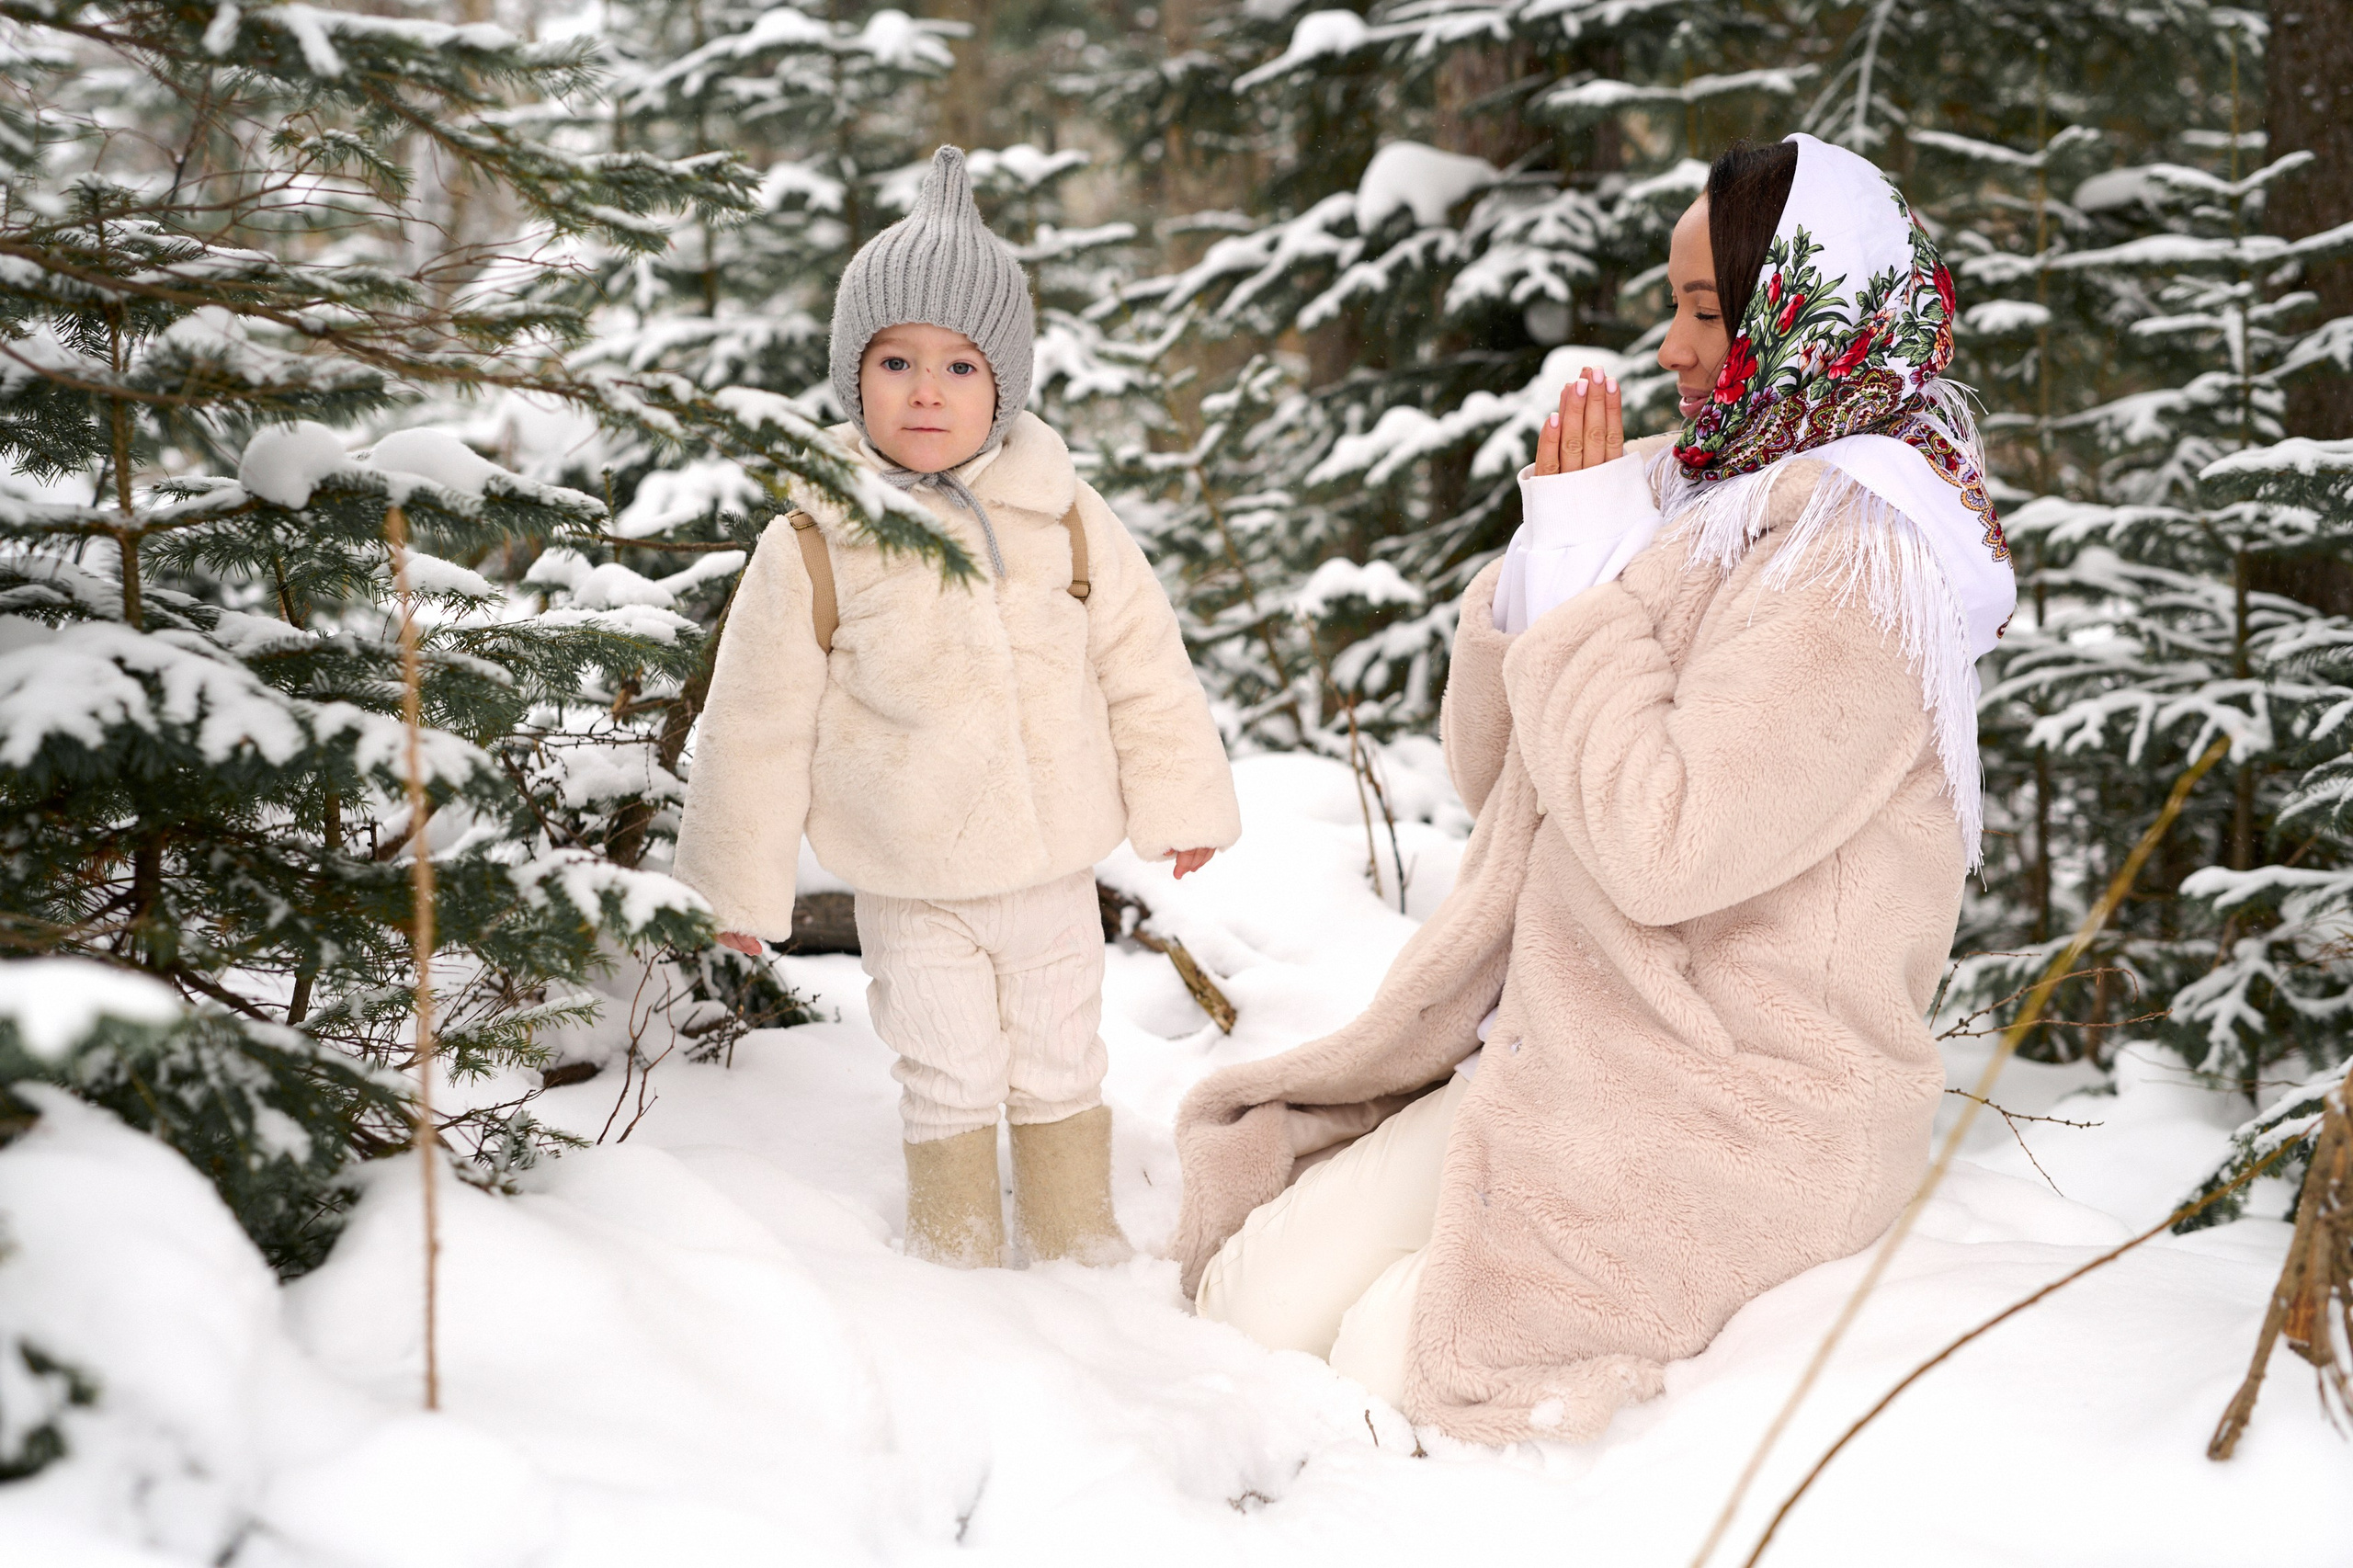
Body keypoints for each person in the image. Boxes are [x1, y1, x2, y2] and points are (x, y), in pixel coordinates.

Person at [1174, 132, 2017, 1444]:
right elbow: (1500, 777)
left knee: (1384, 1379)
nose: (1670, 348)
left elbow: (1665, 843)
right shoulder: (1709, 499)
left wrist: (1584, 600)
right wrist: (1552, 565)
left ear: (1809, 320)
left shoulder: (1862, 560)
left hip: (1734, 1104)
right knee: (1245, 1303)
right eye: (1669, 305)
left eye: (1703, 311)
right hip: (1575, 1045)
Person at [672, 146, 1241, 1270]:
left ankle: (1079, 1245)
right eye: (895, 360)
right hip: (910, 877)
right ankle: (959, 1254)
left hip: (1048, 865)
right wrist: (739, 883)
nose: (926, 390)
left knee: (1058, 1057)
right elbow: (756, 721)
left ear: (1004, 386)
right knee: (947, 1067)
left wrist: (1180, 800)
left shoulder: (1062, 515)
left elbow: (1141, 661)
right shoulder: (813, 540)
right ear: (853, 376)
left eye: (960, 365)